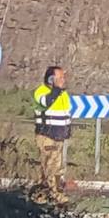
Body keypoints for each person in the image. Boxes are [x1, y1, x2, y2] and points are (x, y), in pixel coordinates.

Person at [32, 65, 72, 201]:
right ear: (51, 79)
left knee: (50, 166)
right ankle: (56, 195)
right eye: (59, 77)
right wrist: (55, 90)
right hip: (46, 136)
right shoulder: (40, 92)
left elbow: (65, 114)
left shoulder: (63, 94)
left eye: (63, 77)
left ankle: (41, 196)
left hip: (59, 136)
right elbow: (47, 102)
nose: (63, 80)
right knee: (53, 166)